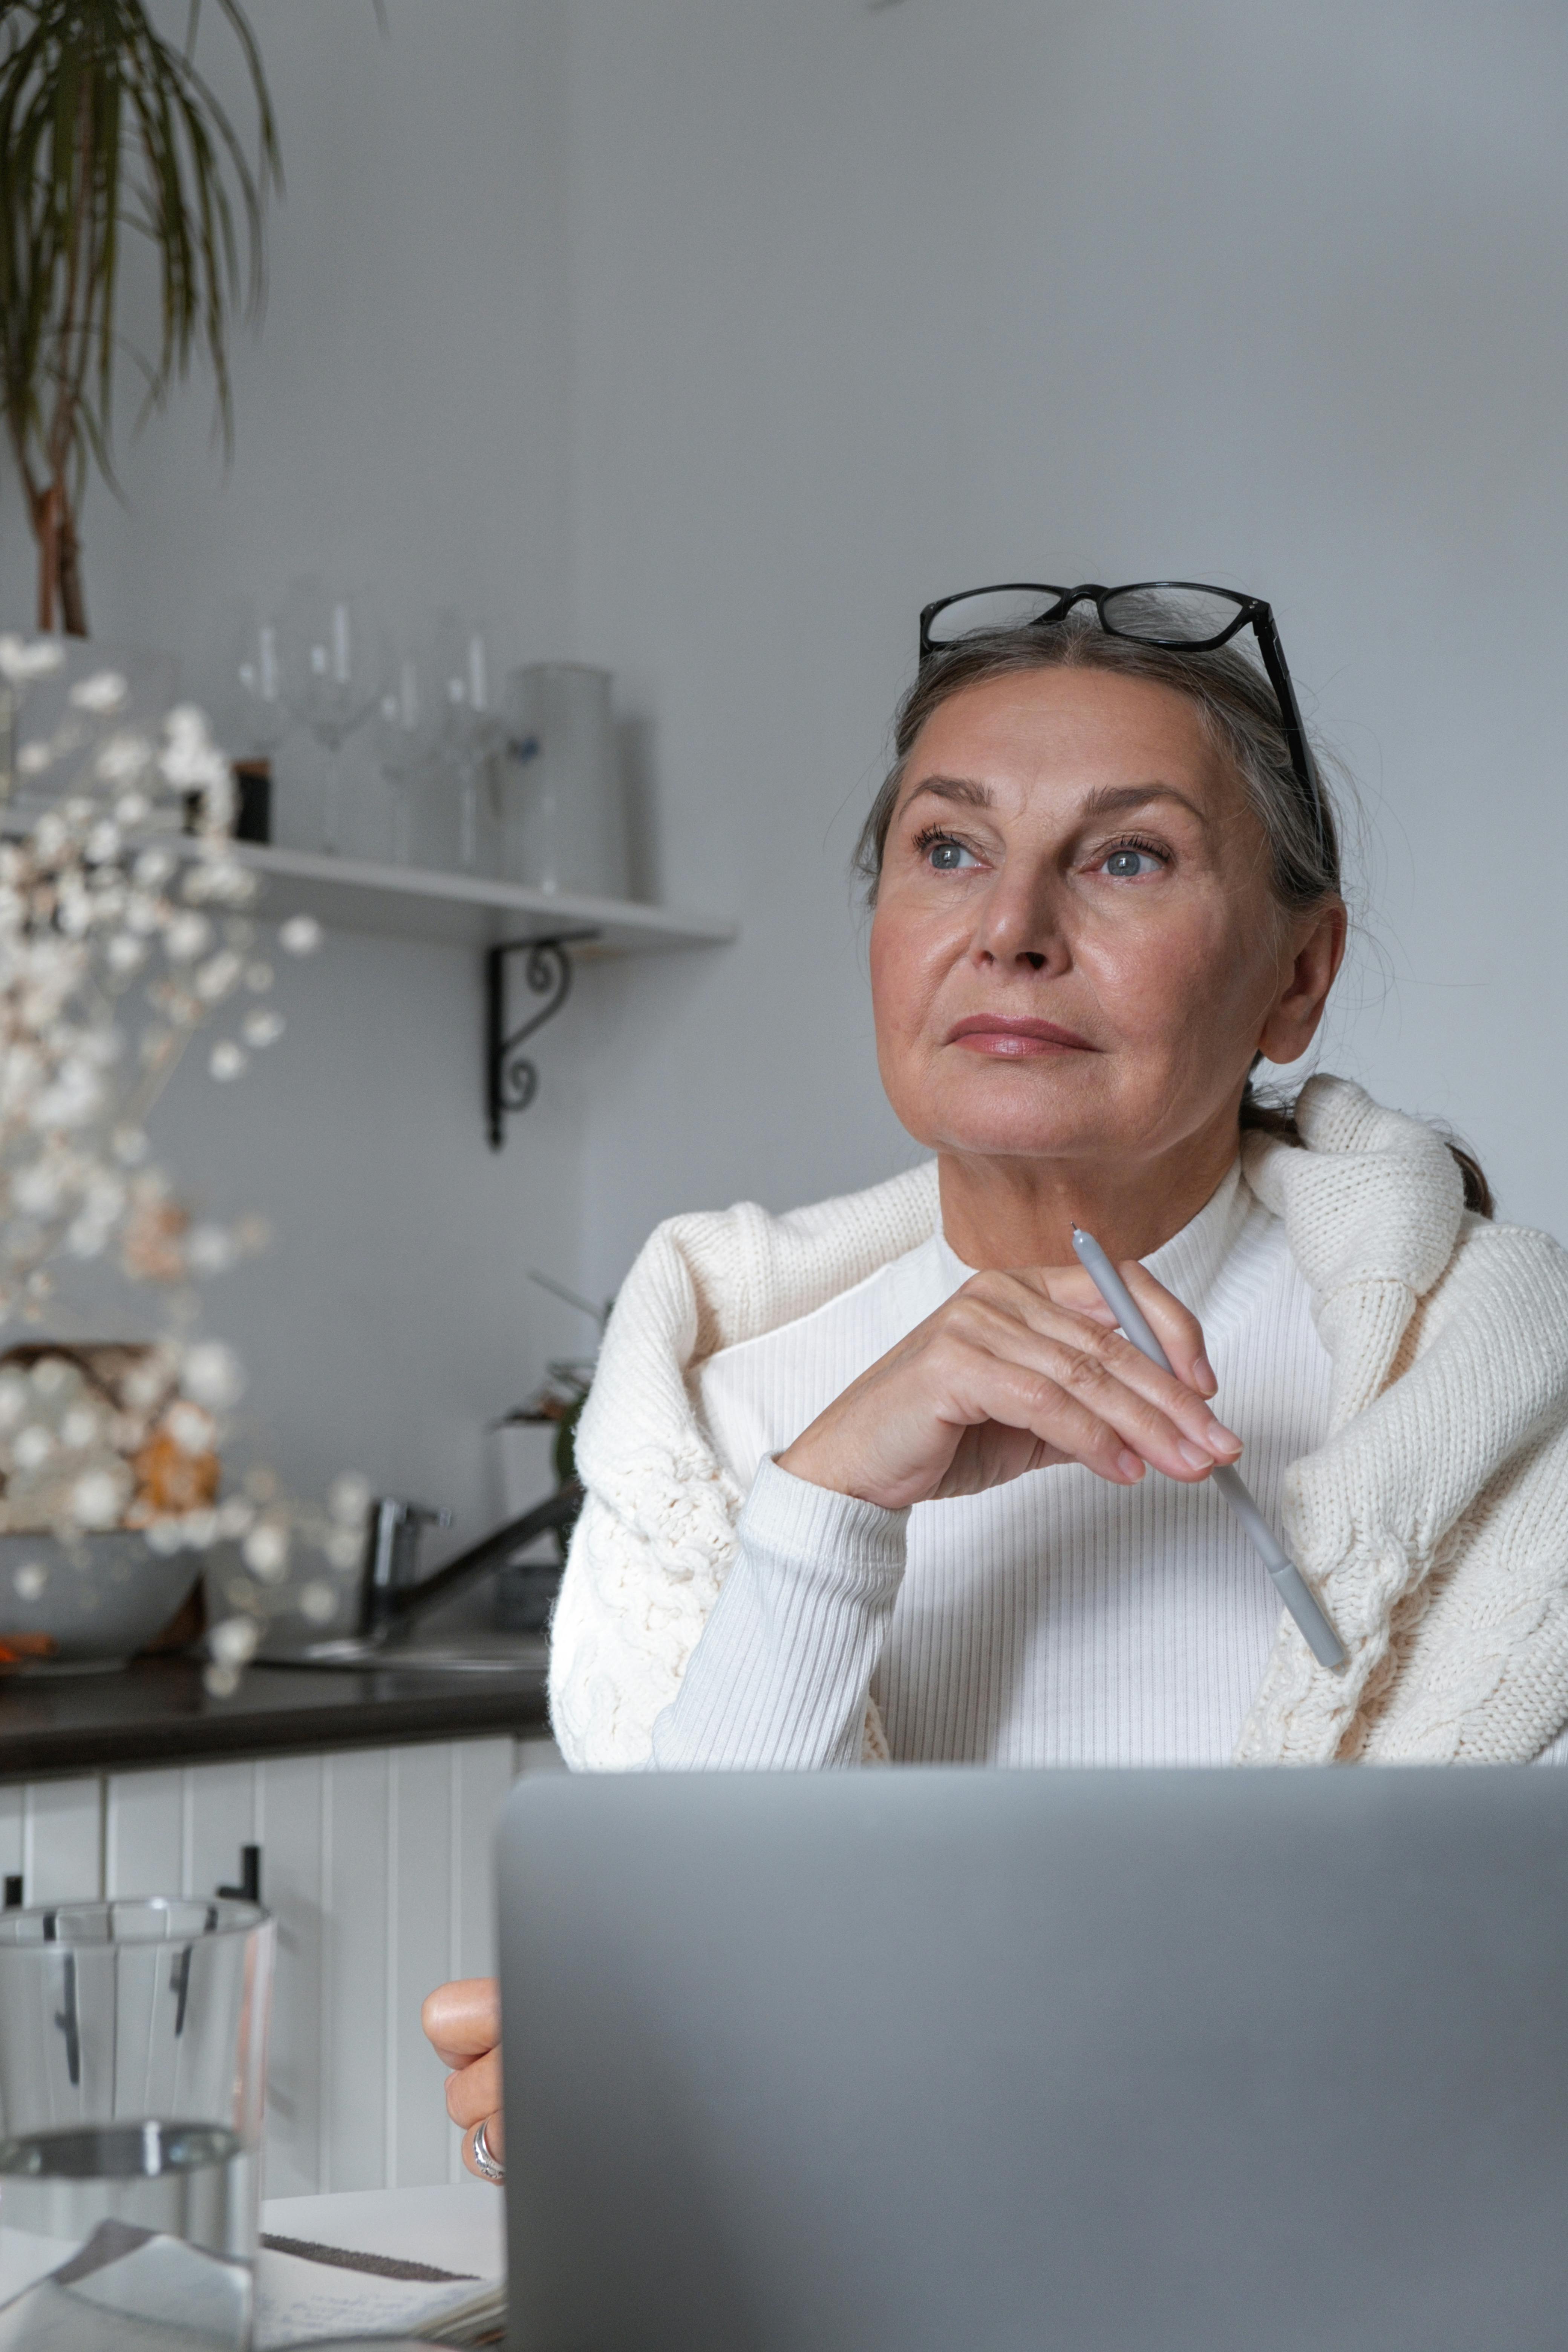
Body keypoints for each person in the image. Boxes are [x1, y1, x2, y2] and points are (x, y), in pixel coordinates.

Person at [424, 579, 1568, 2174]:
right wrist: (824, 1509)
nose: (1011, 930)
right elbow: (667, 2023)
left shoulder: (1483, 1413)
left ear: (1295, 977)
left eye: (1124, 859)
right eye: (947, 849)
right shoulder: (721, 1406)